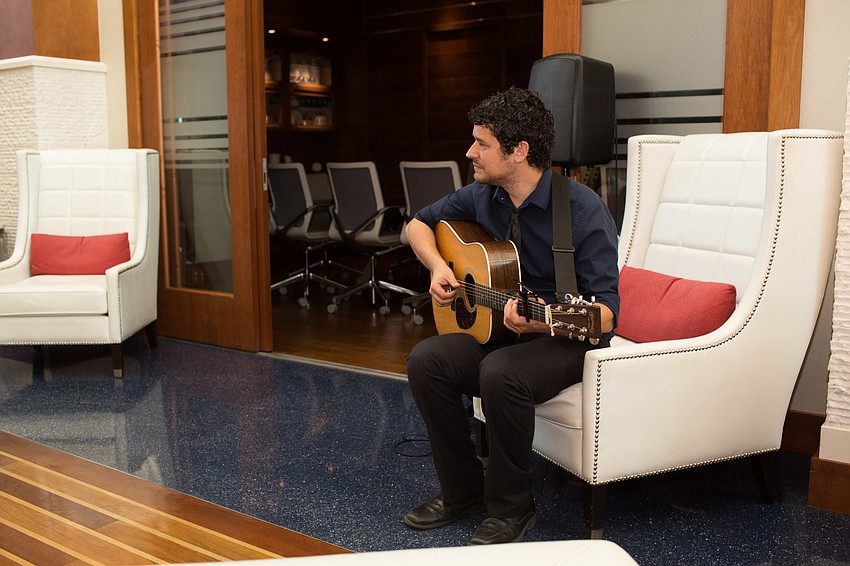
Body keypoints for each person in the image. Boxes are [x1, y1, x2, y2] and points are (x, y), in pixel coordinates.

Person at [402, 87, 620, 545]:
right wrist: (439, 266)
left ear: (518, 151)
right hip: (503, 326)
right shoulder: (484, 196)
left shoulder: (581, 210)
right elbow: (416, 225)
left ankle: (512, 509)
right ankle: (462, 492)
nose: (470, 152)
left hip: (563, 338)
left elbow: (605, 316)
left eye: (481, 144)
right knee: (427, 359)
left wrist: (542, 321)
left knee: (501, 372)